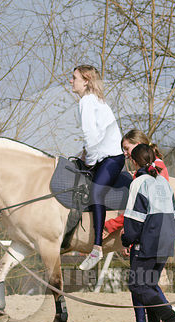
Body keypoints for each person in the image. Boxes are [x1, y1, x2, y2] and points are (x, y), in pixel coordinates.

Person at [104, 130, 174, 322]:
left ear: (138, 146)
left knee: (140, 281)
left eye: (127, 149)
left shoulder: (152, 171)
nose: (125, 154)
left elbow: (138, 208)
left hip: (149, 233)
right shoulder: (146, 171)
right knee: (143, 281)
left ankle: (166, 316)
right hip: (152, 232)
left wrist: (114, 226)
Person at [122, 144, 175, 322]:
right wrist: (172, 236)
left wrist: (127, 239)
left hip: (148, 241)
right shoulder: (164, 183)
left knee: (137, 285)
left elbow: (134, 218)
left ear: (134, 161)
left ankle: (171, 318)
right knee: (148, 284)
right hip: (166, 240)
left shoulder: (139, 183)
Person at [70, 65, 125, 271]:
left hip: (110, 158)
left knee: (96, 193)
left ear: (85, 80)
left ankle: (96, 249)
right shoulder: (94, 100)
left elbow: (91, 137)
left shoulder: (87, 101)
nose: (71, 81)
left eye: (74, 77)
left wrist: (89, 162)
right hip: (104, 156)